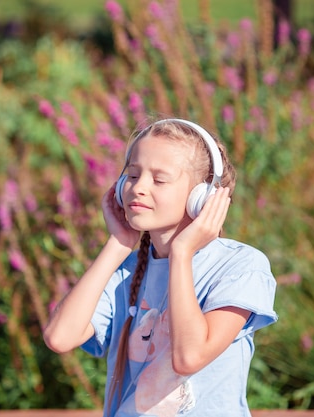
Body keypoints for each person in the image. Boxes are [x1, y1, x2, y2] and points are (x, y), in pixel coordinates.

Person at [44, 118, 278, 417]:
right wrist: (118, 244)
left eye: (159, 179)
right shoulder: (124, 270)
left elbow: (189, 357)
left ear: (202, 197)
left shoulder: (241, 266)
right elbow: (59, 337)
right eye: (131, 175)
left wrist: (181, 254)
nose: (138, 188)